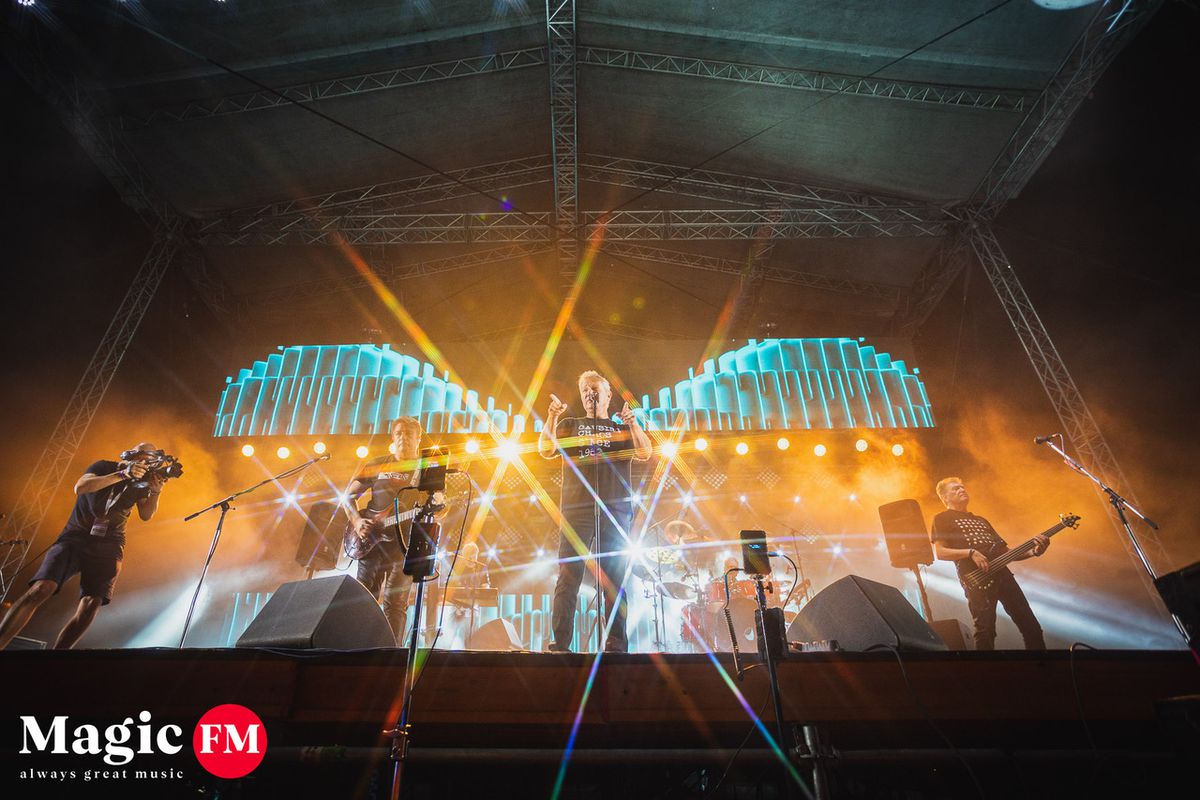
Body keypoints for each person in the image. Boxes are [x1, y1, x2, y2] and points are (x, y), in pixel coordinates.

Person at [0, 443, 168, 650]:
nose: (145, 463)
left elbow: (146, 515)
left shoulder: (142, 482)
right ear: (131, 455)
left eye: (149, 460)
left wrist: (156, 492)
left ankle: (56, 660)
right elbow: (81, 487)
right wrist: (123, 474)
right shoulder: (104, 466)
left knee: (91, 603)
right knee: (41, 588)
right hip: (75, 536)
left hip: (110, 542)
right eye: (142, 457)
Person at [538, 370, 652, 652]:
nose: (590, 393)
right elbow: (545, 450)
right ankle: (561, 643)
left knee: (613, 578)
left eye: (595, 388)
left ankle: (616, 643)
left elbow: (645, 453)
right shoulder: (570, 424)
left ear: (608, 394)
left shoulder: (620, 428)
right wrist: (552, 417)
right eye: (585, 390)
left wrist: (633, 424)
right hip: (576, 509)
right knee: (569, 575)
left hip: (615, 510)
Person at [343, 417, 445, 645]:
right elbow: (348, 496)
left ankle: (392, 653)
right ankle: (358, 648)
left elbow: (439, 507)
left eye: (409, 433)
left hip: (406, 545)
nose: (403, 437)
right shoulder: (377, 464)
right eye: (399, 433)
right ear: (392, 437)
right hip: (371, 540)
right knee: (364, 597)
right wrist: (357, 521)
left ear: (418, 438)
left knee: (396, 603)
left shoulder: (426, 469)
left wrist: (438, 504)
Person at [930, 477, 1049, 650]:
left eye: (962, 487)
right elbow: (940, 552)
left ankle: (1041, 665)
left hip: (1003, 575)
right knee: (985, 631)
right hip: (977, 579)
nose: (962, 490)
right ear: (945, 497)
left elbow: (1006, 553)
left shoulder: (982, 520)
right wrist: (970, 552)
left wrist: (1034, 552)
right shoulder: (941, 518)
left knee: (1032, 627)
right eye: (955, 489)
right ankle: (984, 667)